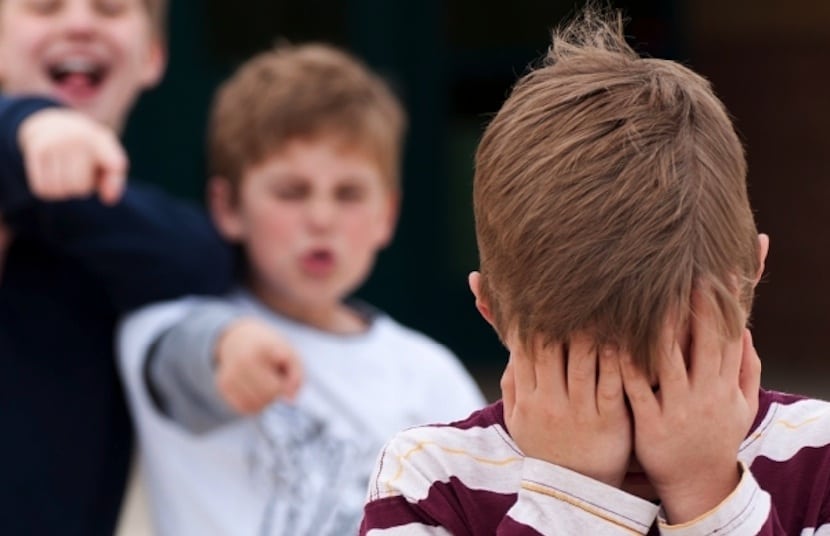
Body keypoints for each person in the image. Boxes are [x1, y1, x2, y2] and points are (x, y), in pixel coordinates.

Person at [359, 8, 830, 535]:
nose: (637, 428)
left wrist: (708, 492)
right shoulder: (430, 478)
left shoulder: (820, 459)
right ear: (491, 310)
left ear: (751, 276)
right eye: (588, 378)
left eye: (667, 377)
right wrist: (571, 495)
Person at [117, 43, 486, 535]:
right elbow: (176, 359)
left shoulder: (431, 376)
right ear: (227, 207)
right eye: (291, 192)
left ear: (387, 215)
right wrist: (224, 346)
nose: (321, 218)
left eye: (349, 194)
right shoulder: (165, 323)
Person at [0, 1, 234, 534]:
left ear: (152, 57)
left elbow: (199, 259)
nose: (79, 22)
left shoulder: (146, 236)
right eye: (44, 6)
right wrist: (27, 125)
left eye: (109, 8)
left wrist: (39, 181)